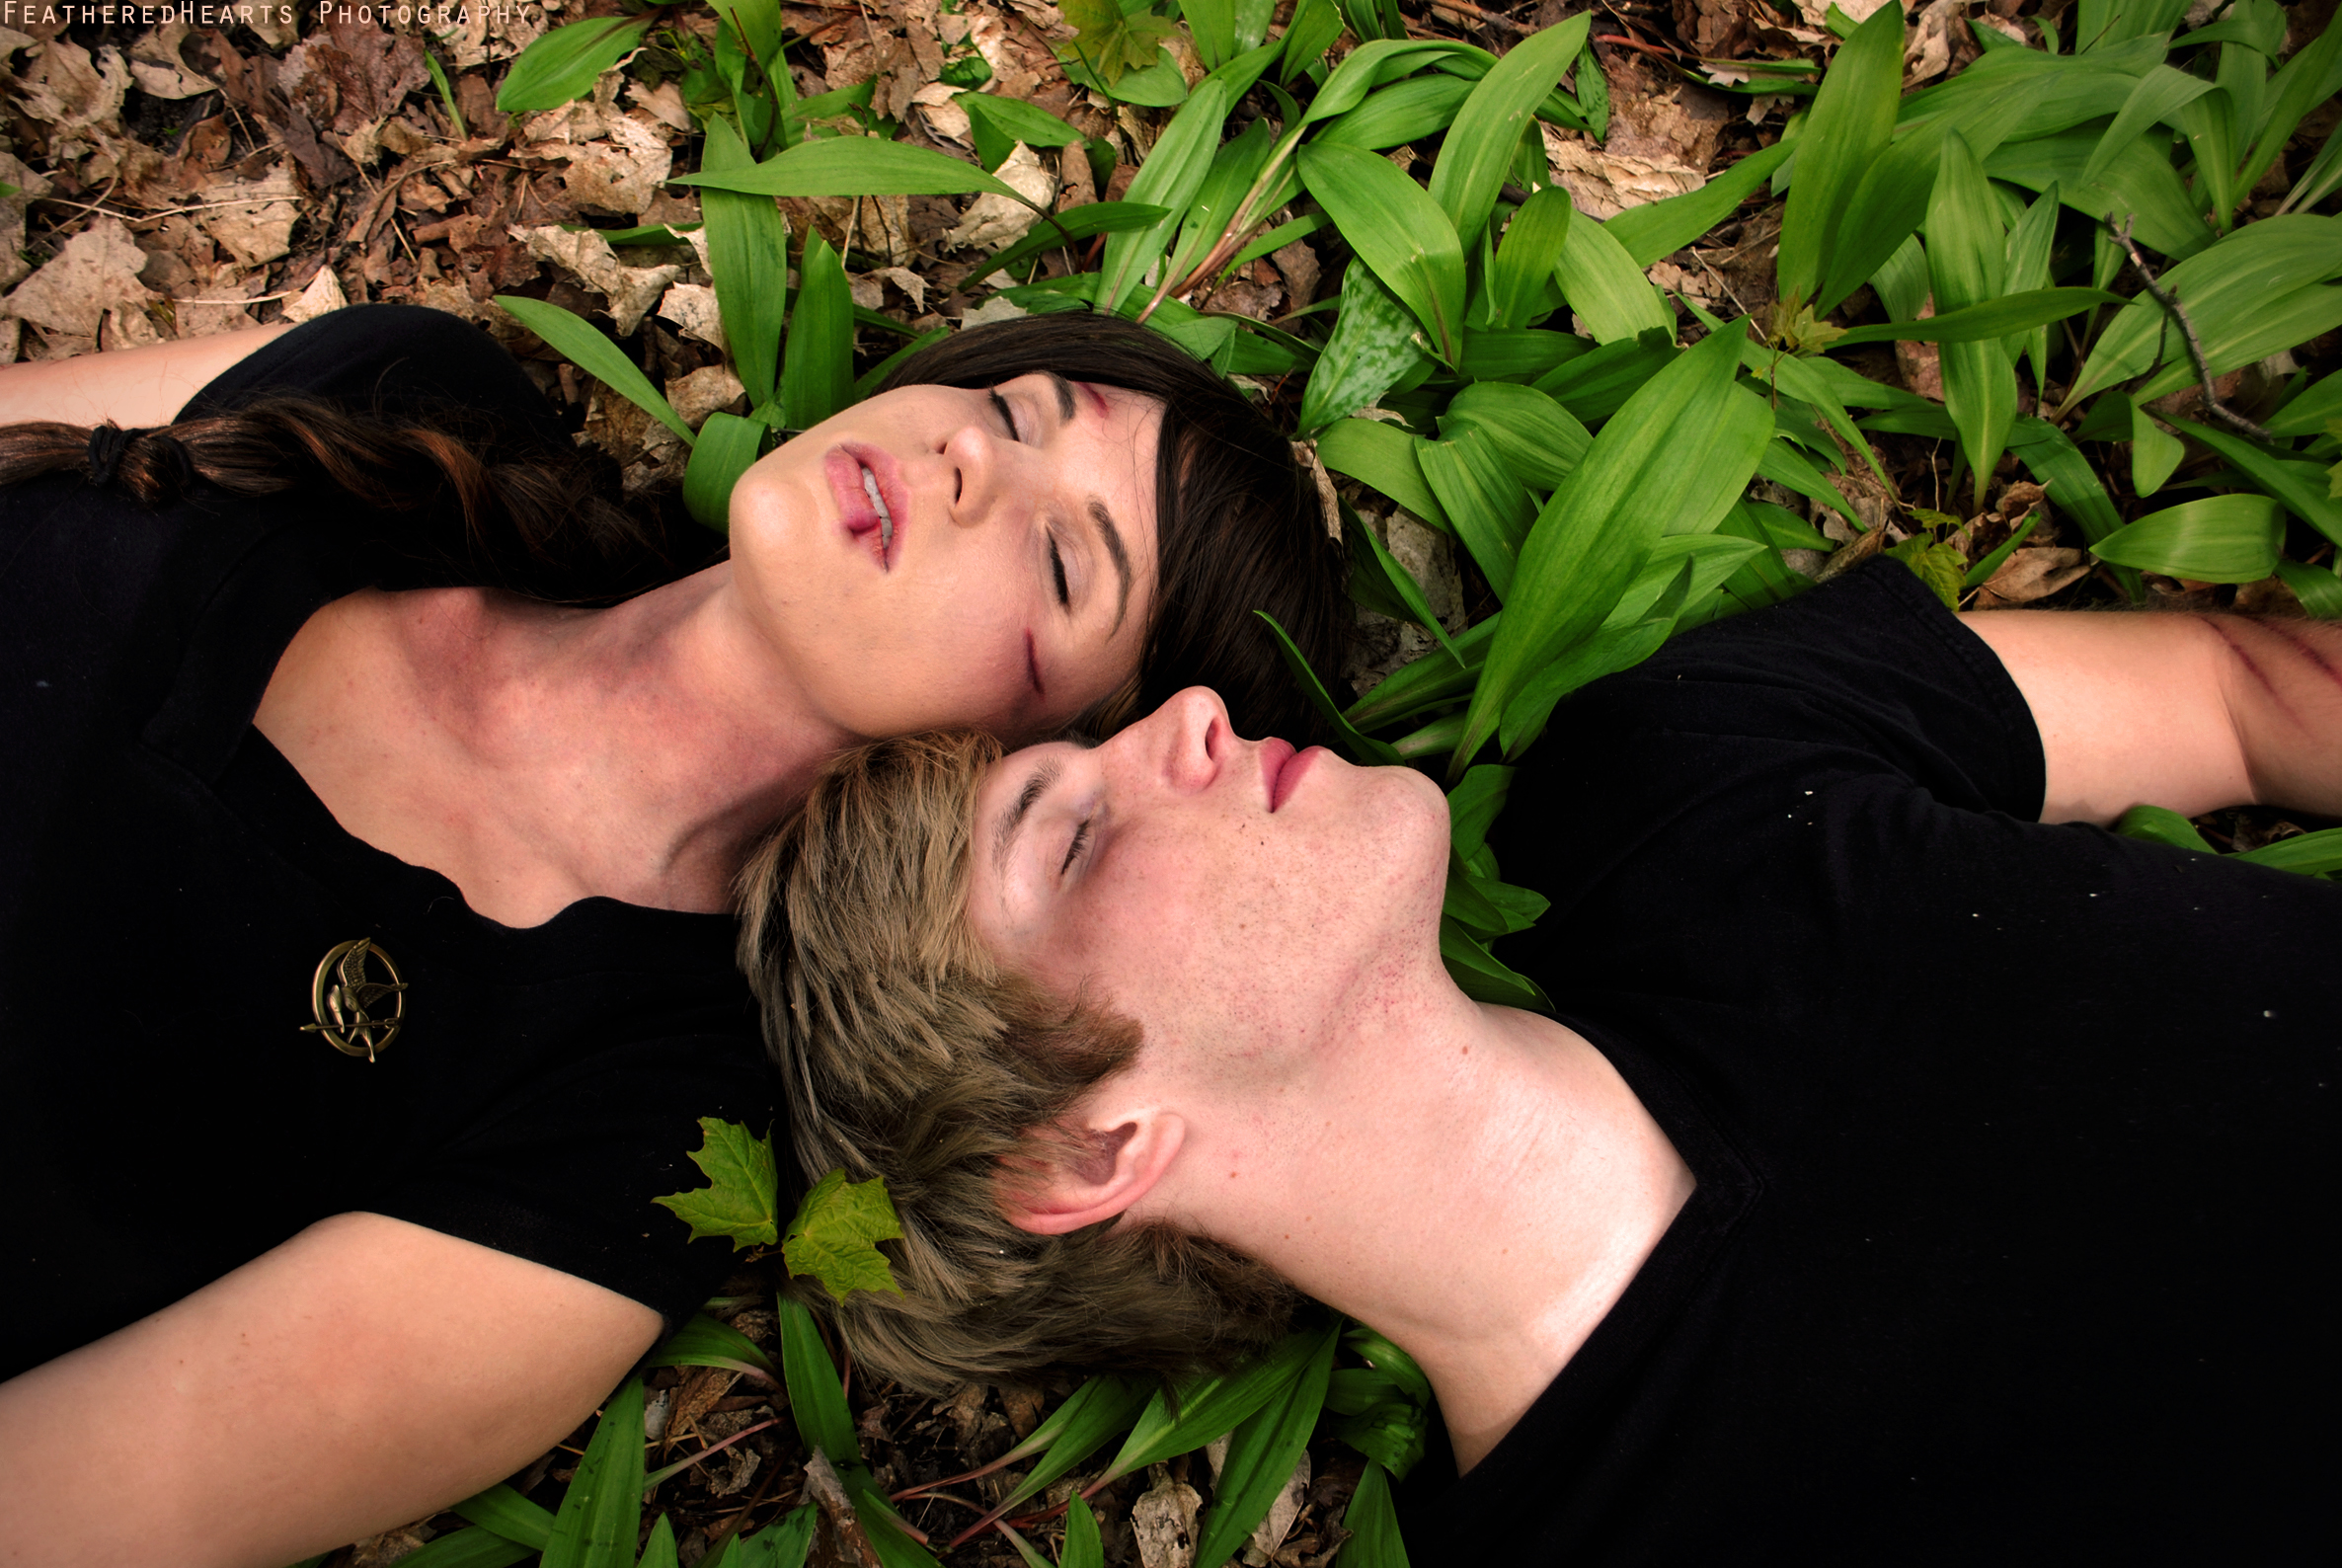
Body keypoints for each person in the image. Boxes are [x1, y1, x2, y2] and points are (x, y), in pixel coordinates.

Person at [0, 303, 1346, 1565]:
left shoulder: (631, 1138)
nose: (968, 461)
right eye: (1014, 408)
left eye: (1061, 562)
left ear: (1053, 772)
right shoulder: (418, 396)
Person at [751, 560, 2340, 1560]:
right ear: (1087, 1151)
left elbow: (2244, 694)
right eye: (1076, 837)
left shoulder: (1682, 777)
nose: (1192, 716)